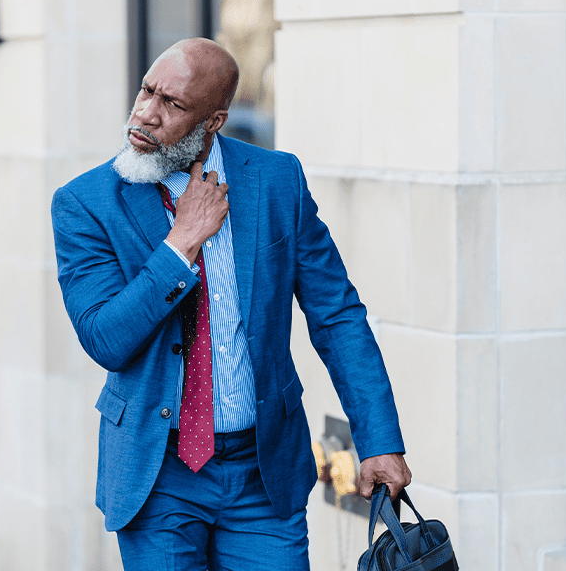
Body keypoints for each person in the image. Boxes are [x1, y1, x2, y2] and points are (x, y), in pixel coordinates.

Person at [51, 37, 411, 570]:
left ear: (213, 121)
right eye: (147, 91)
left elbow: (336, 315)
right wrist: (180, 245)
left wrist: (378, 439)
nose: (146, 113)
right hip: (158, 474)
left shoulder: (277, 180)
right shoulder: (87, 202)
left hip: (263, 473)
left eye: (172, 104)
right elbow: (105, 339)